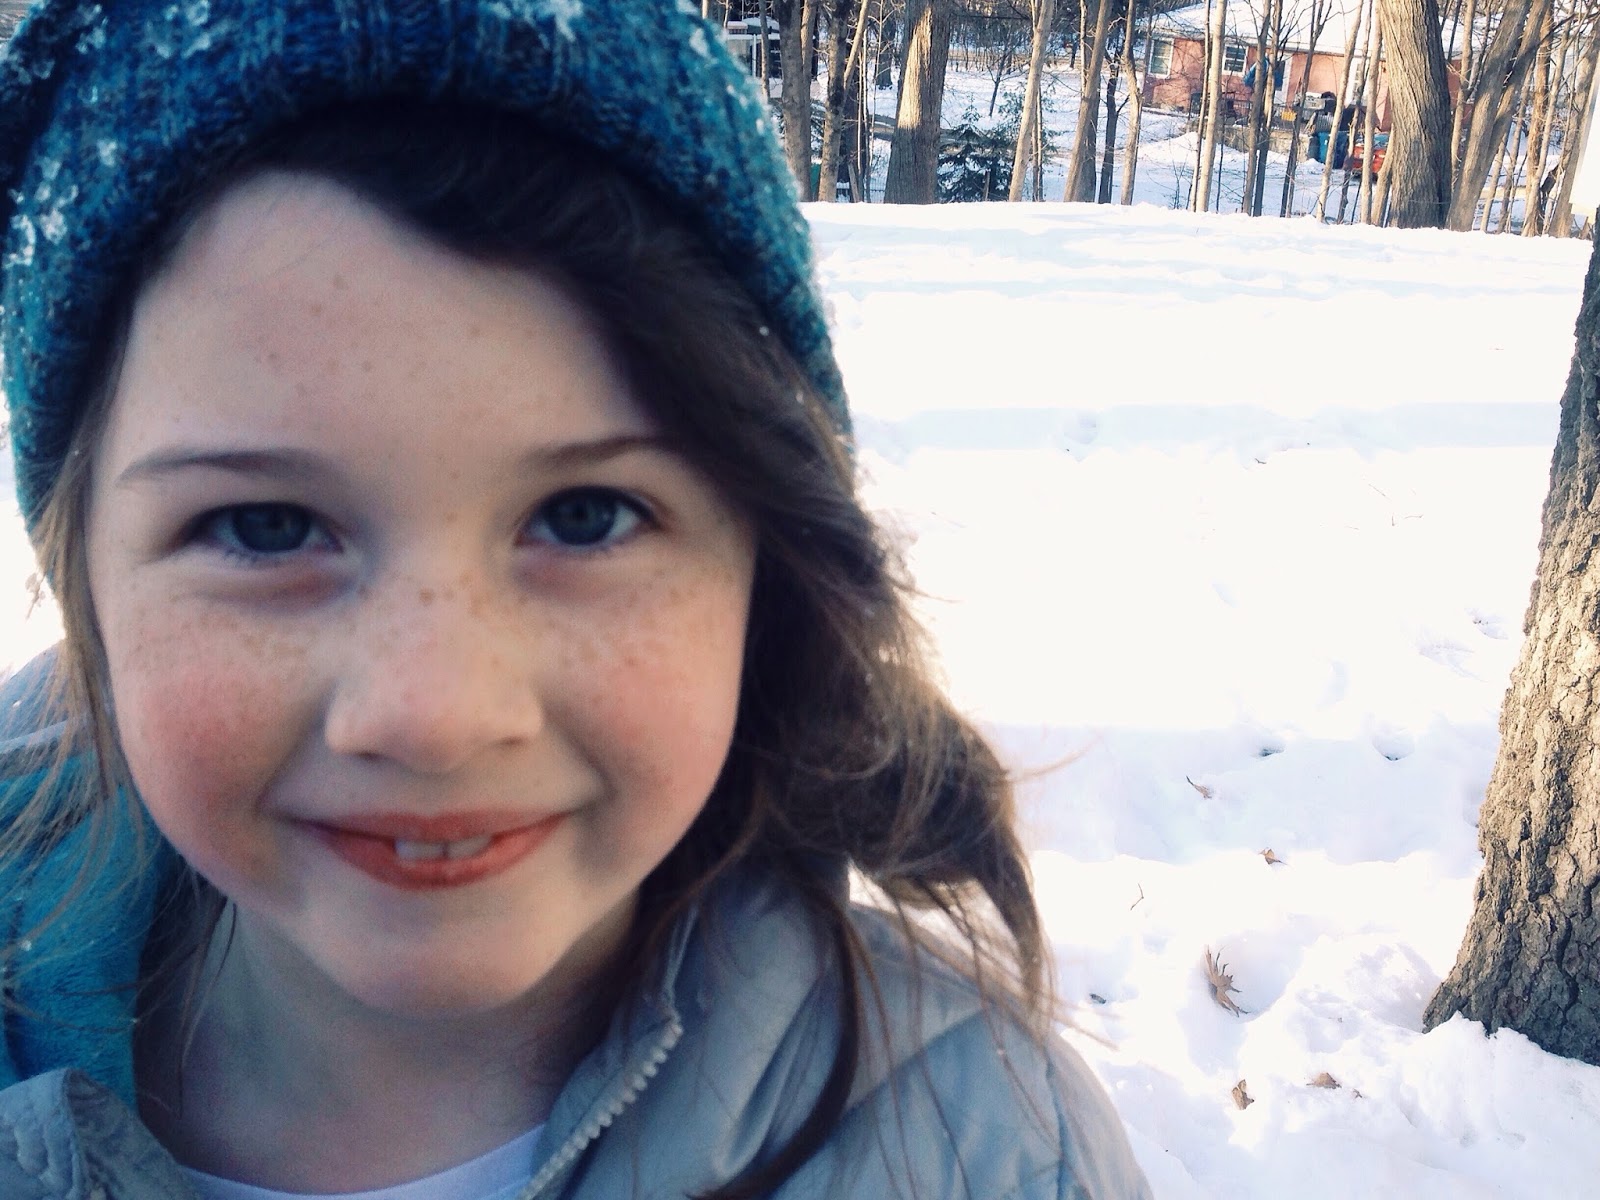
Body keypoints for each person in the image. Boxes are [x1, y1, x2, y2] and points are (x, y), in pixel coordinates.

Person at [0, 3, 1153, 1198]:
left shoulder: (985, 1155)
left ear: (764, 562)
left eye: (586, 516)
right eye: (265, 528)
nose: (435, 716)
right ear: (86, 581)